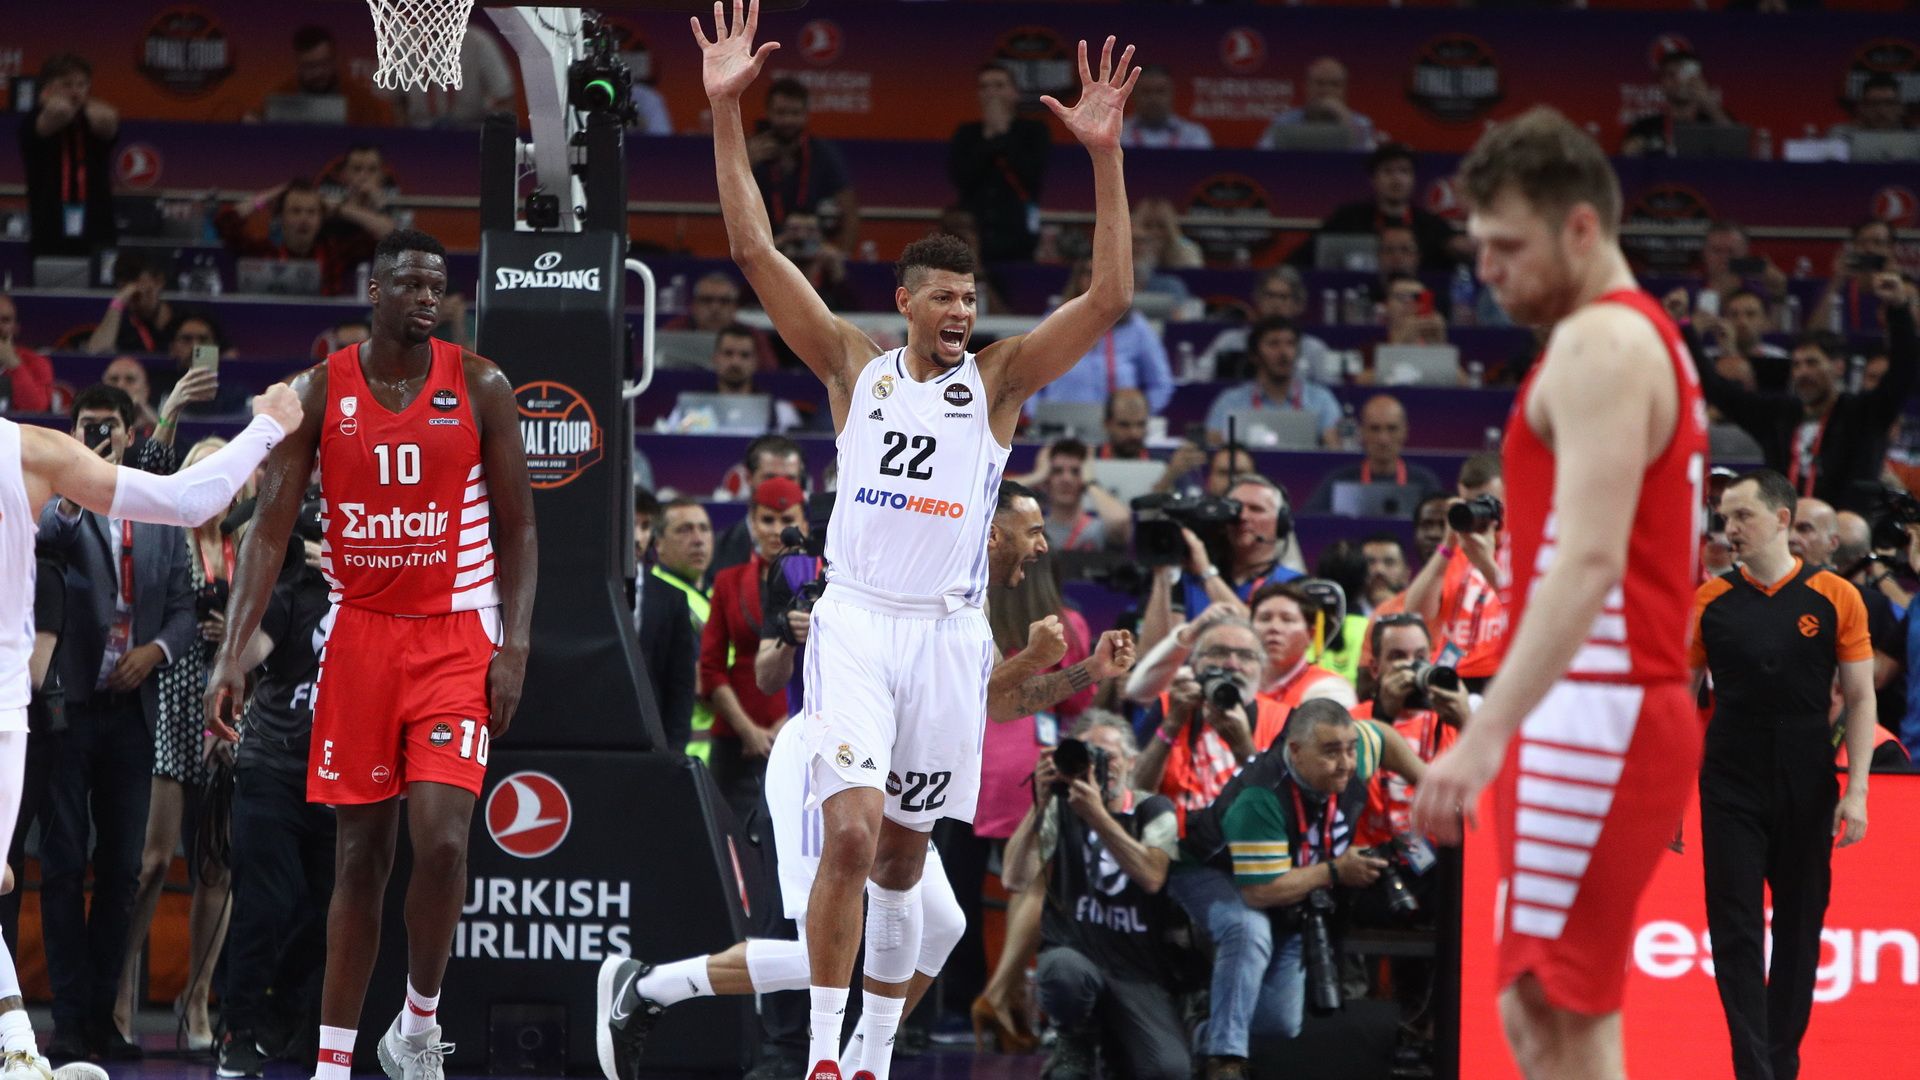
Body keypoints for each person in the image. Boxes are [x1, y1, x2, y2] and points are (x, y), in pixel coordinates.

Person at [667, 10, 1141, 1078]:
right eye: (944, 297)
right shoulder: (855, 367)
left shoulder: (1001, 381)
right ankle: (822, 1056)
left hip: (948, 635)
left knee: (901, 859)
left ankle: (872, 1059)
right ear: (906, 304)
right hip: (858, 621)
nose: (962, 309)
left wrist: (1105, 158)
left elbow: (1109, 295)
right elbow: (753, 249)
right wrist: (726, 110)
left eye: (971, 297)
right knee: (848, 834)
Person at [599, 481, 1133, 1080]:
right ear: (990, 531)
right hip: (828, 752)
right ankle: (649, 988)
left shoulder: (969, 597)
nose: (1043, 546)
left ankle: (858, 1063)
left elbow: (994, 702)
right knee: (831, 947)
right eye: (1033, 531)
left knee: (942, 927)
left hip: (894, 763)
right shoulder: (893, 574)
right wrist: (1031, 659)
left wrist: (1088, 669)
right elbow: (778, 673)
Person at [1408, 107, 1711, 1080]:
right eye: (1479, 247)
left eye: (1506, 246)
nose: (1486, 270)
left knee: (1554, 1009)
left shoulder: (1601, 344)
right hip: (1596, 704)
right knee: (1549, 1012)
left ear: (1581, 228)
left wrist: (1484, 733)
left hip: (1603, 707)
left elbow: (1587, 564)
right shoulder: (1629, 337)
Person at [205, 229, 536, 1080]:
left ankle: (418, 1025)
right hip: (359, 638)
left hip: (457, 635)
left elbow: (521, 529)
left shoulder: (483, 384)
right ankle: (332, 1064)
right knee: (359, 858)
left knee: (445, 842)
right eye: (412, 284)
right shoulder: (320, 390)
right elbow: (267, 532)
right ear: (375, 291)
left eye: (438, 285)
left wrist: (515, 645)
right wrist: (231, 654)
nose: (428, 298)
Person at [21, 380, 295, 1068]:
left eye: (108, 426)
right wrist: (75, 480)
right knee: (62, 865)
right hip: (66, 708)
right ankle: (67, 1020)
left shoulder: (153, 510)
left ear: (128, 432)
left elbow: (178, 603)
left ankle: (105, 1017)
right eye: (86, 425)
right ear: (71, 431)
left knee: (123, 871)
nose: (97, 436)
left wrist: (158, 651)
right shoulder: (55, 495)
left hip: (133, 709)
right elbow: (49, 536)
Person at [1691, 470, 1872, 1080]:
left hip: (1807, 776)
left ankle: (1781, 1063)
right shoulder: (1710, 600)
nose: (1730, 529)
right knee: (1734, 927)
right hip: (1730, 777)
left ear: (1782, 519)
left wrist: (1858, 791)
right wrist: (1663, 795)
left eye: (1742, 515)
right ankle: (1754, 1068)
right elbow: (1676, 700)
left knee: (1800, 926)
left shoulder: (1835, 595)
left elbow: (1861, 697)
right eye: (1724, 518)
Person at [1170, 699, 1424, 1080]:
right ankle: (1225, 1062)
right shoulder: (1261, 795)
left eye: (1350, 749)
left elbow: (1383, 738)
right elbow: (1260, 893)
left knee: (1282, 1021)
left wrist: (1425, 778)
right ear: (1296, 751)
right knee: (1249, 928)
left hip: (1284, 875)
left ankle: (1203, 1029)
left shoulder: (1349, 753)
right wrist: (1335, 870)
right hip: (1207, 869)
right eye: (1331, 752)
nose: (1346, 763)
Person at [113, 437, 244, 1053]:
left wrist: (234, 634)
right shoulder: (171, 535)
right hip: (171, 699)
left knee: (216, 863)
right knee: (153, 862)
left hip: (227, 705)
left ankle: (195, 1001)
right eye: (202, 467)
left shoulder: (246, 544)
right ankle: (120, 994)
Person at [217, 501, 336, 1080]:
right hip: (274, 767)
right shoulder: (291, 594)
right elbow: (246, 655)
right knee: (264, 905)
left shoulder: (374, 603)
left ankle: (280, 1017)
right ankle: (237, 1032)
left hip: (340, 777)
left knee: (328, 911)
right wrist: (261, 574)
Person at [1001, 712, 1185, 1080]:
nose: (1100, 765)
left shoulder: (1154, 809)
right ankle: (1074, 1036)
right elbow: (1014, 878)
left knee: (1168, 1070)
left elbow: (1152, 877)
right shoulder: (1061, 806)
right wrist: (1039, 804)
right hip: (1077, 956)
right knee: (1062, 972)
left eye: (1109, 756)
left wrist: (1098, 816)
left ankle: (1115, 1044)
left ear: (1132, 762)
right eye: (1089, 755)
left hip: (1137, 969)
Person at [1700, 278, 1917, 513]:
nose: (1802, 372)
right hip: (1785, 527)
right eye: (1797, 365)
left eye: (1812, 363)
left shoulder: (1864, 413)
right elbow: (1719, 391)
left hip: (1843, 528)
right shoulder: (1778, 414)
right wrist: (1686, 331)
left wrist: (1898, 309)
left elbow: (1903, 369)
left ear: (1838, 367)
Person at [701, 477, 808, 823]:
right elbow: (711, 667)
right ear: (752, 522)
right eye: (767, 520)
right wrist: (747, 730)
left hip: (803, 733)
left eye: (787, 520)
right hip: (736, 740)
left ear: (804, 523)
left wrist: (790, 723)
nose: (777, 530)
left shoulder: (823, 581)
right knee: (731, 839)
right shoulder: (728, 581)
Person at [1403, 453, 1507, 689]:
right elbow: (1416, 613)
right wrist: (1448, 544)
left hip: (1500, 676)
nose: (1478, 512)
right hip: (1449, 673)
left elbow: (1527, 613)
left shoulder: (1525, 549)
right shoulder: (1456, 551)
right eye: (1469, 503)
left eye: (1487, 503)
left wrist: (1486, 563)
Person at [1024, 260, 1175, 415]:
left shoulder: (1136, 327)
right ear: (1078, 278)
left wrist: (1135, 417)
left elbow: (1161, 384)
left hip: (1115, 426)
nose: (1096, 280)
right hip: (1061, 422)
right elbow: (1025, 376)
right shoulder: (1055, 321)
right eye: (1090, 273)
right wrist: (1036, 415)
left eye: (1104, 274)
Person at [1293, 144, 1463, 272]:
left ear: (1413, 179)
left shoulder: (1431, 225)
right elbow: (1301, 258)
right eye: (1388, 171)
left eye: (1404, 171)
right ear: (1373, 179)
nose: (1397, 179)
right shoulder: (1347, 218)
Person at [215, 179, 392, 298]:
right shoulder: (263, 252)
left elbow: (388, 233)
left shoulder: (335, 253)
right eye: (295, 211)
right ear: (281, 217)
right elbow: (224, 222)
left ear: (321, 218)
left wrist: (338, 208)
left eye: (311, 212)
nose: (304, 219)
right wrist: (267, 198)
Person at [949, 62, 1051, 262]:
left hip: (1018, 233)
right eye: (984, 87)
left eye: (999, 85)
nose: (991, 92)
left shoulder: (1034, 131)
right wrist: (989, 137)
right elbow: (962, 177)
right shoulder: (966, 133)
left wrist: (1002, 132)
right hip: (974, 233)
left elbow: (1031, 174)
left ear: (1015, 93)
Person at [19, 54, 118, 258]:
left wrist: (83, 103)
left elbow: (109, 120)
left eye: (81, 84)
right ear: (48, 86)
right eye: (67, 84)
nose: (75, 91)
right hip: (50, 218)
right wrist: (50, 101)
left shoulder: (92, 117)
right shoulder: (34, 119)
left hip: (95, 218)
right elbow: (60, 112)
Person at [751, 79, 858, 251]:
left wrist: (841, 258)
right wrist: (747, 165)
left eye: (795, 113)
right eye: (781, 113)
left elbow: (849, 212)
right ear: (768, 113)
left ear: (806, 114)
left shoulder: (823, 153)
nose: (788, 120)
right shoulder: (751, 152)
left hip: (814, 253)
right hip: (763, 252)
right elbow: (728, 208)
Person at [1203, 317, 1340, 447]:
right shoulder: (1230, 401)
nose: (1284, 352)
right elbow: (1214, 445)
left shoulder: (1321, 400)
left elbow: (1335, 448)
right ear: (1254, 355)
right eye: (1273, 344)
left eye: (1290, 344)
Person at [632, 489, 695, 754]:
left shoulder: (672, 598)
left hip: (653, 738)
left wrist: (674, 751)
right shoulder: (588, 591)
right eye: (631, 524)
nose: (638, 537)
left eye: (645, 526)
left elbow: (681, 685)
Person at [1304, 395, 1443, 514]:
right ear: (1362, 432)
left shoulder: (1424, 482)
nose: (1383, 439)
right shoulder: (1339, 481)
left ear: (1405, 432)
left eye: (1392, 429)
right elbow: (1309, 522)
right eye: (1375, 429)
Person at [653, 498, 716, 761]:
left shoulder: (715, 594)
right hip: (685, 750)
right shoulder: (657, 600)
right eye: (684, 530)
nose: (698, 539)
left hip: (722, 750)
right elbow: (701, 681)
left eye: (704, 529)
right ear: (658, 543)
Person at [663, 324, 806, 434]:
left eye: (744, 355)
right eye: (728, 353)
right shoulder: (688, 409)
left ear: (755, 362)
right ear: (715, 358)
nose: (735, 362)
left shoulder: (781, 412)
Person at [257, 26, 394, 126]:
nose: (318, 73)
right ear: (297, 65)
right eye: (310, 66)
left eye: (324, 64)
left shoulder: (361, 102)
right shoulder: (280, 96)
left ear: (335, 60)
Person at [711, 436, 808, 572]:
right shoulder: (716, 550)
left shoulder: (825, 550)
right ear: (748, 478)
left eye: (789, 479)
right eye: (770, 478)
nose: (778, 486)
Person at [1621, 49, 1737, 158]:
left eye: (1686, 75)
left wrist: (1707, 101)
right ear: (1661, 83)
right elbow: (1625, 160)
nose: (1679, 81)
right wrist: (1631, 151)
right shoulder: (1645, 127)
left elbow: (1737, 149)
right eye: (1671, 75)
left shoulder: (1715, 120)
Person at [660, 273, 779, 371]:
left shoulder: (753, 335)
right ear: (694, 305)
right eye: (707, 300)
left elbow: (770, 373)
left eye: (724, 301)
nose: (715, 308)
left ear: (735, 307)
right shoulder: (674, 331)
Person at [1258, 56, 1375, 151]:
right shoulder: (1284, 122)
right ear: (1306, 87)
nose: (1327, 90)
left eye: (1335, 84)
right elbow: (1263, 158)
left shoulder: (1361, 124)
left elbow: (1367, 161)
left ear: (1345, 90)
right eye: (1320, 83)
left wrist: (1345, 118)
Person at [1808, 220, 1902, 337]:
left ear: (1891, 249)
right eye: (1862, 243)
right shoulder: (1835, 288)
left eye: (1878, 242)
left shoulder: (1906, 288)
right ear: (1853, 247)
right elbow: (1813, 335)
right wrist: (1838, 280)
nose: (1869, 249)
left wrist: (1898, 290)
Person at [85, 253, 179, 357]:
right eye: (130, 296)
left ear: (159, 282)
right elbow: (94, 356)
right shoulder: (121, 327)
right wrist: (118, 301)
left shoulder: (185, 322)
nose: (134, 304)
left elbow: (195, 361)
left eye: (138, 295)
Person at [1120, 65, 1212, 149]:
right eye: (1146, 91)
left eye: (1160, 91)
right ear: (1133, 95)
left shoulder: (1195, 135)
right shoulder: (1119, 134)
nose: (1153, 98)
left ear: (1172, 94)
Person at [0, 296, 56, 414]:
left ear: (16, 327)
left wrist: (13, 364)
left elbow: (36, 411)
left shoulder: (37, 363)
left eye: (5, 320)